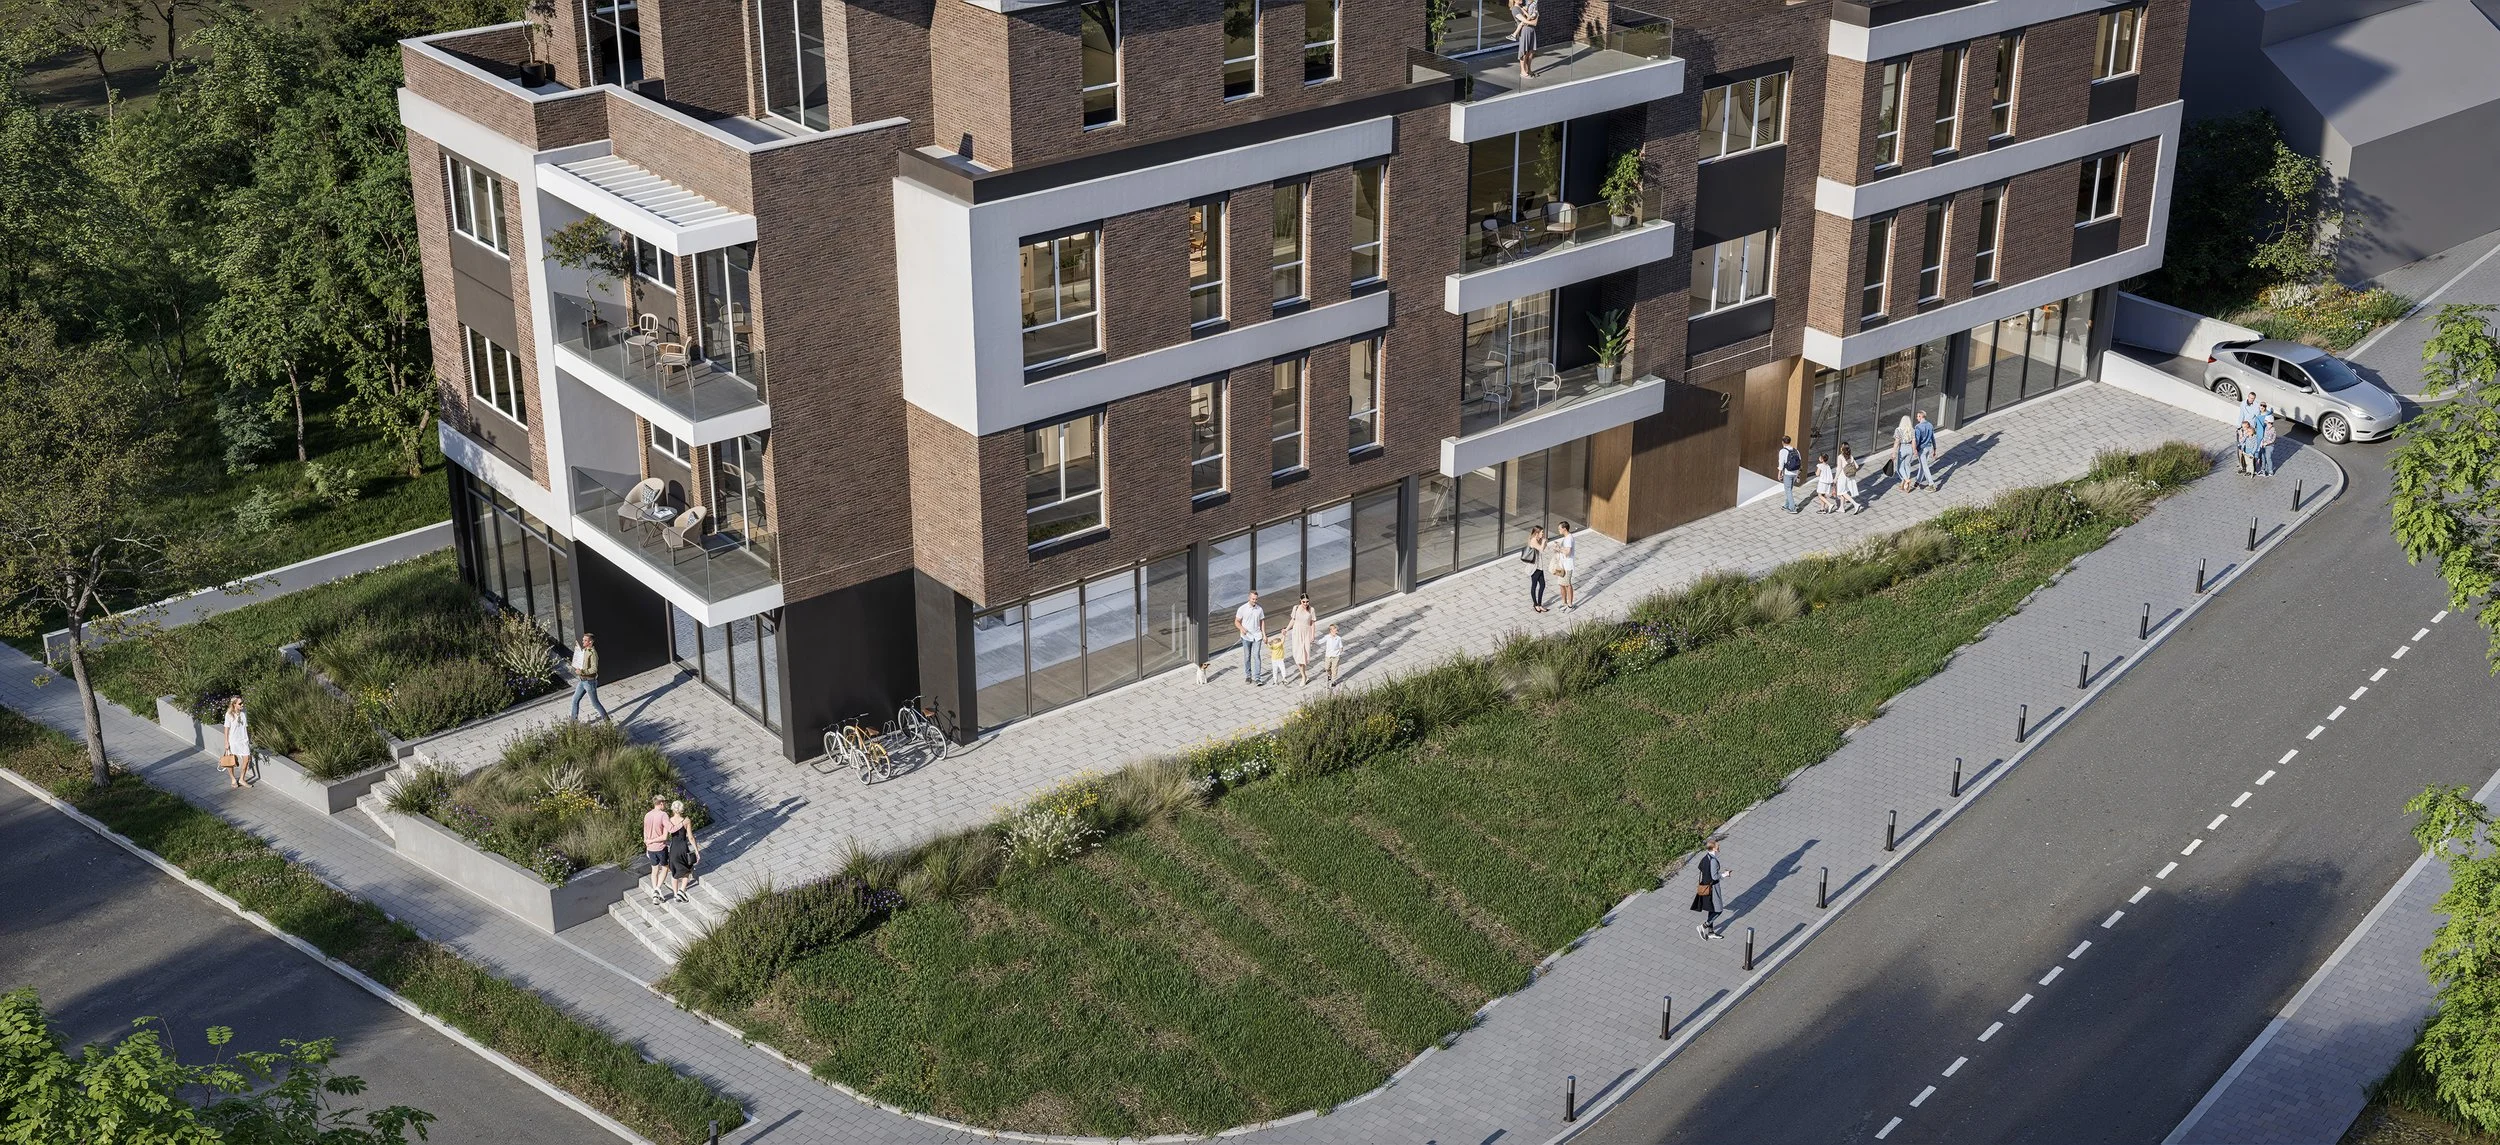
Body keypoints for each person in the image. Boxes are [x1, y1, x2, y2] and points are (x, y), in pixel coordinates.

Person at [1691, 838, 1729, 939]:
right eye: (1717, 846)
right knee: (1719, 910)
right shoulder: (1713, 861)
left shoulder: (1705, 858)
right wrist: (1724, 874)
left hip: (1705, 886)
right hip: (1713, 888)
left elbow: (1700, 867)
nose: (1719, 846)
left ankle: (1711, 932)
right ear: (1714, 848)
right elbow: (1715, 877)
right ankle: (1703, 926)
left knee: (1711, 908)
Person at [664, 799, 700, 902]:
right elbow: (691, 837)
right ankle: (681, 890)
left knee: (674, 873)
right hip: (683, 848)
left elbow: (665, 837)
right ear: (682, 809)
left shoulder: (669, 821)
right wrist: (696, 851)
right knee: (687, 870)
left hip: (673, 848)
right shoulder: (686, 821)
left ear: (673, 809)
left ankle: (676, 895)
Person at [570, 633, 610, 723]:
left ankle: (608, 723)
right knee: (575, 699)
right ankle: (573, 723)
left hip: (589, 682)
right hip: (582, 681)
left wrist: (582, 672)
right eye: (583, 640)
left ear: (590, 642)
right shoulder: (585, 650)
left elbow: (594, 669)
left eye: (585, 640)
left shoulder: (593, 654)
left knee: (595, 704)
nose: (583, 642)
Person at [642, 794, 672, 904]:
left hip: (651, 849)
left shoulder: (647, 815)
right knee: (665, 868)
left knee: (654, 870)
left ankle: (655, 894)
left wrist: (648, 844)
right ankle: (657, 889)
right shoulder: (664, 815)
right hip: (660, 847)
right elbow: (664, 837)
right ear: (661, 803)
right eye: (665, 802)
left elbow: (645, 833)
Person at [220, 696, 252, 789]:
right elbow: (226, 728)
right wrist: (226, 742)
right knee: (230, 760)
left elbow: (246, 726)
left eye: (242, 703)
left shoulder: (244, 712)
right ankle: (233, 779)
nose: (242, 705)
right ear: (234, 704)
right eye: (240, 703)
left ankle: (242, 779)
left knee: (246, 759)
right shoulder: (229, 714)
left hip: (244, 740)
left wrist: (249, 738)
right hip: (233, 741)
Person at [1235, 591, 1266, 686]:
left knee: (1256, 656)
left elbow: (1262, 621)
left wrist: (1264, 635)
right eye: (1253, 599)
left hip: (1257, 636)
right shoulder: (1242, 609)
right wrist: (1241, 628)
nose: (1254, 601)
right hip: (1246, 637)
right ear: (1249, 598)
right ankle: (1248, 676)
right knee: (1247, 656)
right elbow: (1237, 621)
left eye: (1256, 599)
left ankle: (1257, 678)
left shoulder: (1259, 609)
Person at [1288, 595, 1318, 686]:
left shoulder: (1311, 610)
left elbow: (1312, 623)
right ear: (1300, 601)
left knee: (1303, 656)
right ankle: (1304, 676)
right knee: (1297, 656)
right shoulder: (1296, 608)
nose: (1305, 603)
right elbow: (1293, 620)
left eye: (1307, 601)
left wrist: (1312, 635)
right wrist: (1286, 629)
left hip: (1306, 633)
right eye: (1303, 602)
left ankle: (1304, 676)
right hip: (1297, 633)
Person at [1552, 522, 1578, 611]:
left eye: (1559, 528)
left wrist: (1559, 549)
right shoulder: (1565, 538)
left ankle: (1570, 605)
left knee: (1567, 584)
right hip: (1561, 565)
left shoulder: (1569, 539)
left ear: (1564, 529)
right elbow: (1564, 550)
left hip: (1567, 566)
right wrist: (1558, 547)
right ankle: (1564, 603)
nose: (1558, 530)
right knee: (1561, 584)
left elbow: (1568, 553)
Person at [1523, 524, 1550, 613]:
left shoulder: (1538, 539)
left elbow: (1543, 549)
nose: (1543, 533)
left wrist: (1544, 542)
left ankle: (1539, 604)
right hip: (1534, 567)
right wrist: (1543, 542)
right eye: (1542, 532)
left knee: (1542, 585)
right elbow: (1540, 549)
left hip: (1539, 566)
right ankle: (1535, 604)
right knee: (1534, 585)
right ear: (1537, 533)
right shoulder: (1534, 540)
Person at [1510, 0, 1540, 77]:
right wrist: (1534, 22)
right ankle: (1523, 71)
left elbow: (1530, 16)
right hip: (1524, 31)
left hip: (1531, 29)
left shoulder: (1522, 7)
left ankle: (1528, 70)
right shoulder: (1515, 9)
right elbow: (1524, 21)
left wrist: (1534, 13)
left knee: (1530, 52)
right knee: (1524, 51)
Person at [1913, 411, 1939, 491]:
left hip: (1922, 449)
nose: (1917, 418)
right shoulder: (1930, 425)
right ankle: (1917, 482)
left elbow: (1917, 440)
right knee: (1922, 465)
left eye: (1917, 416)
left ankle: (1931, 484)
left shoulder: (1918, 427)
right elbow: (1932, 438)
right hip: (1928, 448)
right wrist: (1935, 449)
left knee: (1925, 466)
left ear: (1921, 416)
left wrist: (1915, 449)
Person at [1777, 435, 1803, 512]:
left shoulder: (1783, 451)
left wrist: (1779, 474)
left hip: (1788, 473)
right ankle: (1786, 505)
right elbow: (1800, 462)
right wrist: (1798, 475)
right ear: (1789, 441)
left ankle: (1792, 508)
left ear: (1782, 442)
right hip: (1795, 473)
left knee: (1788, 490)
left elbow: (1781, 464)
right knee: (1789, 490)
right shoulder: (1796, 450)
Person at [1892, 416, 1917, 493]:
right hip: (1910, 449)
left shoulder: (1898, 430)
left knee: (1899, 467)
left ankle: (1906, 480)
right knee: (1907, 465)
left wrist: (1894, 452)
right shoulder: (1912, 430)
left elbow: (1897, 441)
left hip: (1902, 449)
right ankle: (1904, 485)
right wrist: (1914, 450)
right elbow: (1914, 441)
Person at [1837, 444, 1863, 513]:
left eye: (1841, 447)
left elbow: (1839, 469)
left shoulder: (1840, 457)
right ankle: (1841, 508)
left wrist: (1835, 478)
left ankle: (1855, 504)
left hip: (1842, 477)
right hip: (1849, 476)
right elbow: (1857, 467)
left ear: (1842, 449)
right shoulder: (1850, 456)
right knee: (1843, 491)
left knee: (1842, 492)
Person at [2259, 403, 2279, 476]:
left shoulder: (2272, 430)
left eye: (2266, 421)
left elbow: (2272, 439)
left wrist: (2266, 443)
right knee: (2263, 457)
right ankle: (2263, 470)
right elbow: (2264, 436)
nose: (2264, 421)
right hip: (2264, 445)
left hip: (2269, 446)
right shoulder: (2266, 428)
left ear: (2269, 422)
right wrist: (2262, 442)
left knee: (2268, 458)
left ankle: (2270, 471)